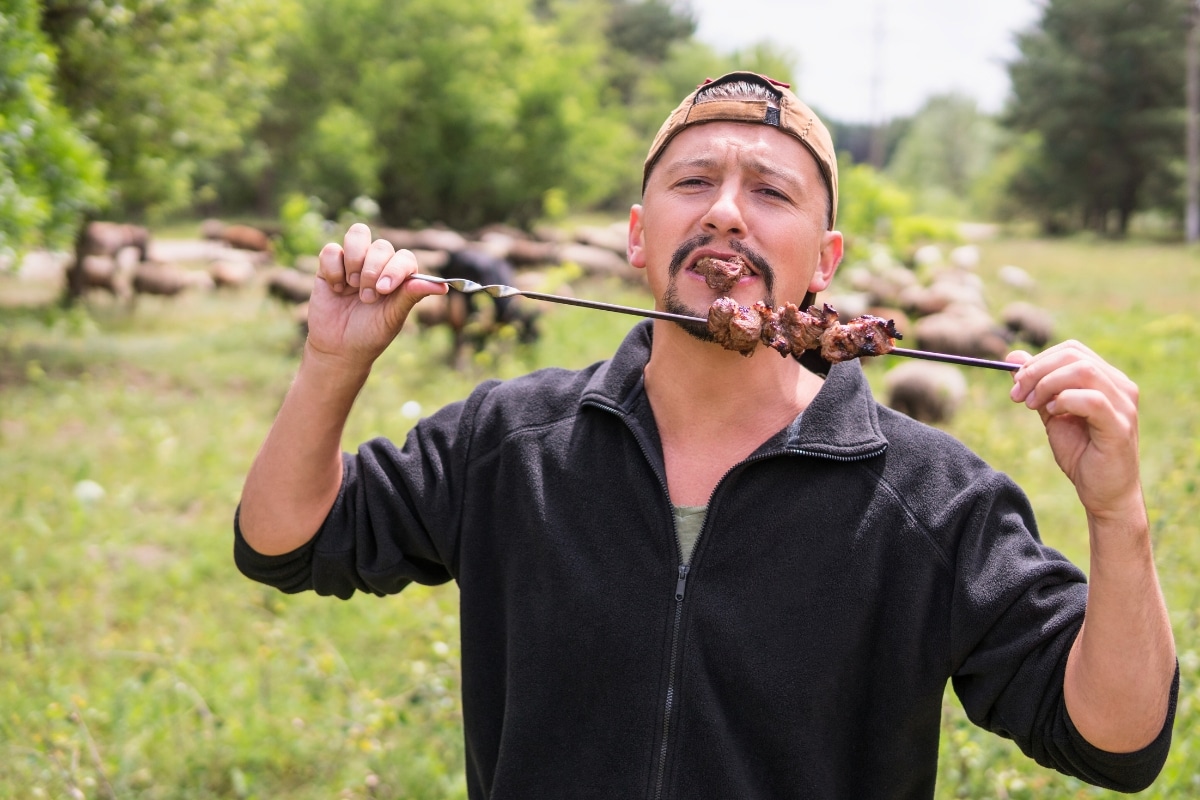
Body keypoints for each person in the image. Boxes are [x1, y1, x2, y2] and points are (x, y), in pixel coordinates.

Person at [234, 72, 1177, 798]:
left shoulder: (933, 503)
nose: (725, 207)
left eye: (770, 191)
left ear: (824, 264)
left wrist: (1118, 514)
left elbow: (1115, 739)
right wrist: (333, 362)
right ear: (640, 237)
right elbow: (287, 542)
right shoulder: (509, 442)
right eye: (695, 181)